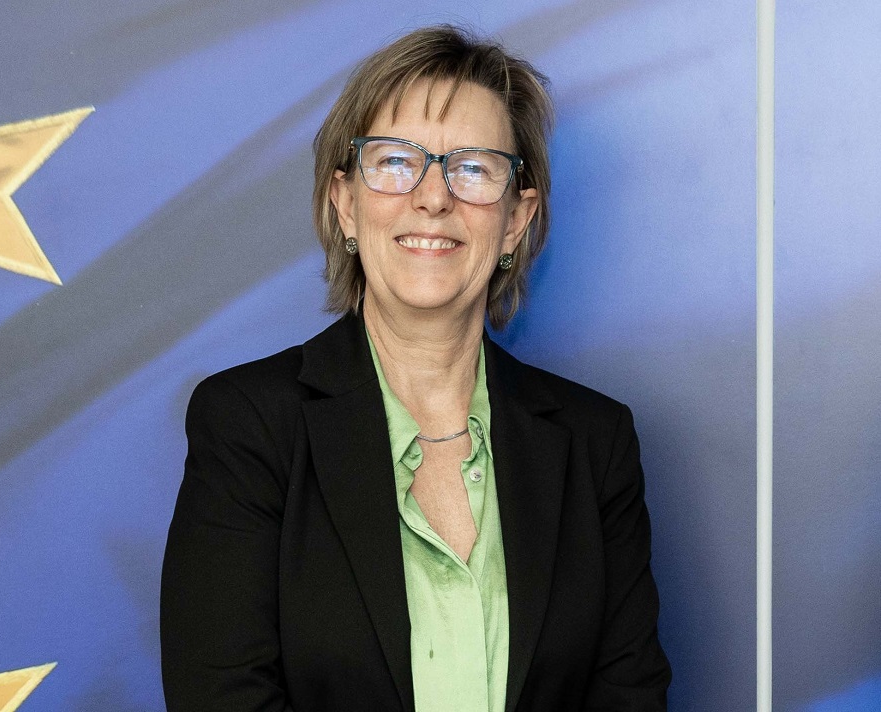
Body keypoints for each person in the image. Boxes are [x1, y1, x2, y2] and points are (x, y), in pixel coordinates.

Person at [161, 25, 671, 712]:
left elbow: (628, 698)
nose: (433, 197)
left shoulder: (595, 443)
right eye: (396, 161)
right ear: (345, 204)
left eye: (474, 168)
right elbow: (222, 697)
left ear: (516, 221)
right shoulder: (249, 425)